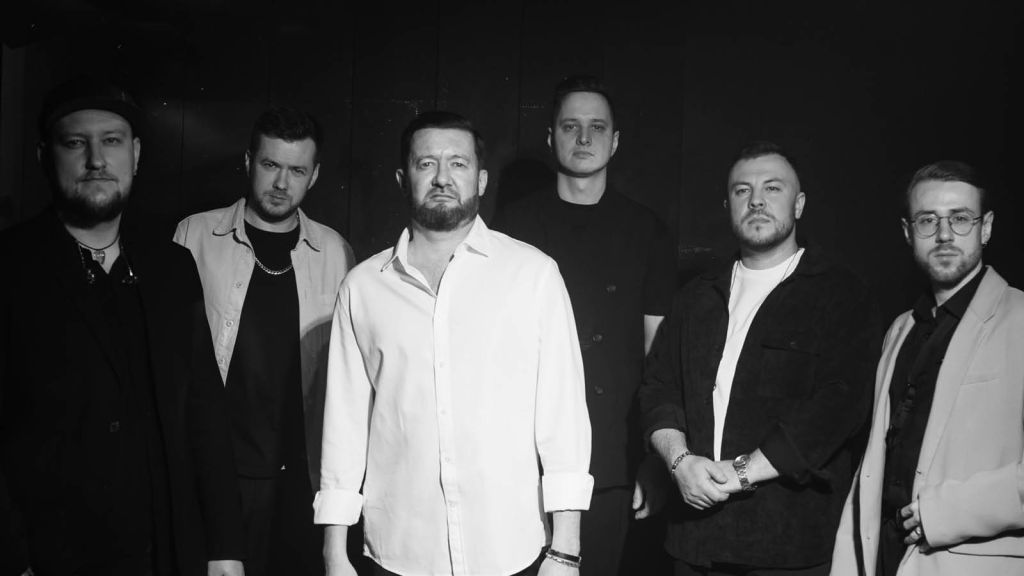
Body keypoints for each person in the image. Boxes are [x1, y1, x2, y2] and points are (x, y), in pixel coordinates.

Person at [315, 111, 593, 576]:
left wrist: (565, 550)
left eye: (458, 164)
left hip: (510, 549)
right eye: (427, 163)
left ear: (481, 179)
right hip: (400, 553)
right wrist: (334, 551)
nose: (443, 177)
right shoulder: (363, 287)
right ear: (403, 179)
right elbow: (343, 425)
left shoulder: (533, 275)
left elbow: (562, 418)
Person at [0, 76, 244, 576]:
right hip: (50, 559)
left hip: (165, 551)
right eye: (76, 143)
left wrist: (224, 547)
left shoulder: (172, 265)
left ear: (134, 155)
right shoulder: (10, 266)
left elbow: (205, 411)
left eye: (111, 141)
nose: (97, 160)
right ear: (44, 156)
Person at [639, 142, 878, 576]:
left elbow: (839, 407)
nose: (756, 201)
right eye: (742, 190)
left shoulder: (840, 294)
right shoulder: (695, 297)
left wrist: (742, 472)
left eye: (772, 188)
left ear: (799, 204)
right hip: (693, 542)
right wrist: (678, 462)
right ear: (727, 206)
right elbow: (658, 388)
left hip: (786, 547)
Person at [493, 75, 676, 575]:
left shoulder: (647, 231)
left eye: (597, 127)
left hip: (613, 456)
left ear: (614, 141)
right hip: (523, 456)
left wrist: (653, 459)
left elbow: (657, 356)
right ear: (551, 136)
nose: (584, 138)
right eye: (570, 126)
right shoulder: (511, 227)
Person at [174, 106, 355, 576]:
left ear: (315, 176)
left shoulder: (336, 252)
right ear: (248, 161)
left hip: (301, 478)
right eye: (271, 165)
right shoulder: (195, 236)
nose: (281, 183)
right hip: (218, 474)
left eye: (297, 170)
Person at [831, 161, 1024, 576]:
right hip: (885, 560)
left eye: (960, 218)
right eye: (927, 220)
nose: (944, 234)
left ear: (986, 227)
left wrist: (948, 511)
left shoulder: (1021, 319)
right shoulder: (900, 329)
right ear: (907, 232)